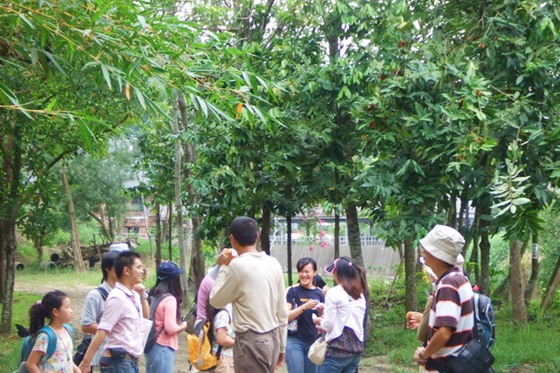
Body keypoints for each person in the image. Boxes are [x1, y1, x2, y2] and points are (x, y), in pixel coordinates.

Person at [209, 216, 288, 373]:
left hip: (251, 341)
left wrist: (223, 266)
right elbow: (282, 311)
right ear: (257, 236)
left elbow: (216, 300)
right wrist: (282, 345)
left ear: (232, 239)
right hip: (272, 337)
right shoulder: (273, 263)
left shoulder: (238, 266)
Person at [411, 225, 474, 372]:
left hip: (445, 366)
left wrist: (424, 354)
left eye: (427, 249)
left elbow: (444, 333)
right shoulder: (461, 280)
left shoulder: (448, 285)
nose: (424, 252)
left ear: (437, 256)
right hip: (459, 362)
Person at [78, 251, 150, 373]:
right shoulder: (117, 297)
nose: (142, 271)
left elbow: (145, 317)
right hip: (118, 361)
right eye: (138, 267)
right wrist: (86, 363)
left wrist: (143, 296)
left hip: (130, 360)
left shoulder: (133, 295)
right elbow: (102, 331)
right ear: (127, 271)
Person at [313, 256, 368, 373]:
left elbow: (328, 325)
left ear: (338, 273)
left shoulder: (334, 292)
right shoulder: (360, 295)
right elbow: (349, 315)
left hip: (336, 351)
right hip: (355, 351)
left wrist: (319, 322)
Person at [145, 261, 189, 373]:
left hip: (151, 346)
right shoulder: (170, 299)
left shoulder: (154, 294)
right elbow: (170, 329)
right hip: (163, 348)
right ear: (174, 279)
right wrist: (184, 326)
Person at [80, 250, 119, 371]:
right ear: (108, 268)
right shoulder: (95, 295)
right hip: (102, 356)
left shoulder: (127, 294)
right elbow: (86, 325)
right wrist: (115, 329)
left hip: (123, 357)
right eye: (119, 266)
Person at [285, 257, 325, 373]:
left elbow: (323, 318)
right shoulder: (292, 291)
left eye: (307, 271)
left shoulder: (319, 293)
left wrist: (321, 312)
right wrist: (303, 307)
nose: (303, 275)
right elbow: (285, 316)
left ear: (315, 273)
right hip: (294, 340)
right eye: (301, 271)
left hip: (313, 342)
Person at [25, 290, 80, 372]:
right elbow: (31, 364)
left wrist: (77, 370)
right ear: (55, 312)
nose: (71, 311)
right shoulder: (46, 336)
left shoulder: (67, 330)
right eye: (67, 307)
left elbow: (67, 358)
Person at [210, 304, 236, 373]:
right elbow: (222, 339)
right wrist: (239, 343)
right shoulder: (223, 315)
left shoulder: (223, 313)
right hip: (224, 357)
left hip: (222, 356)